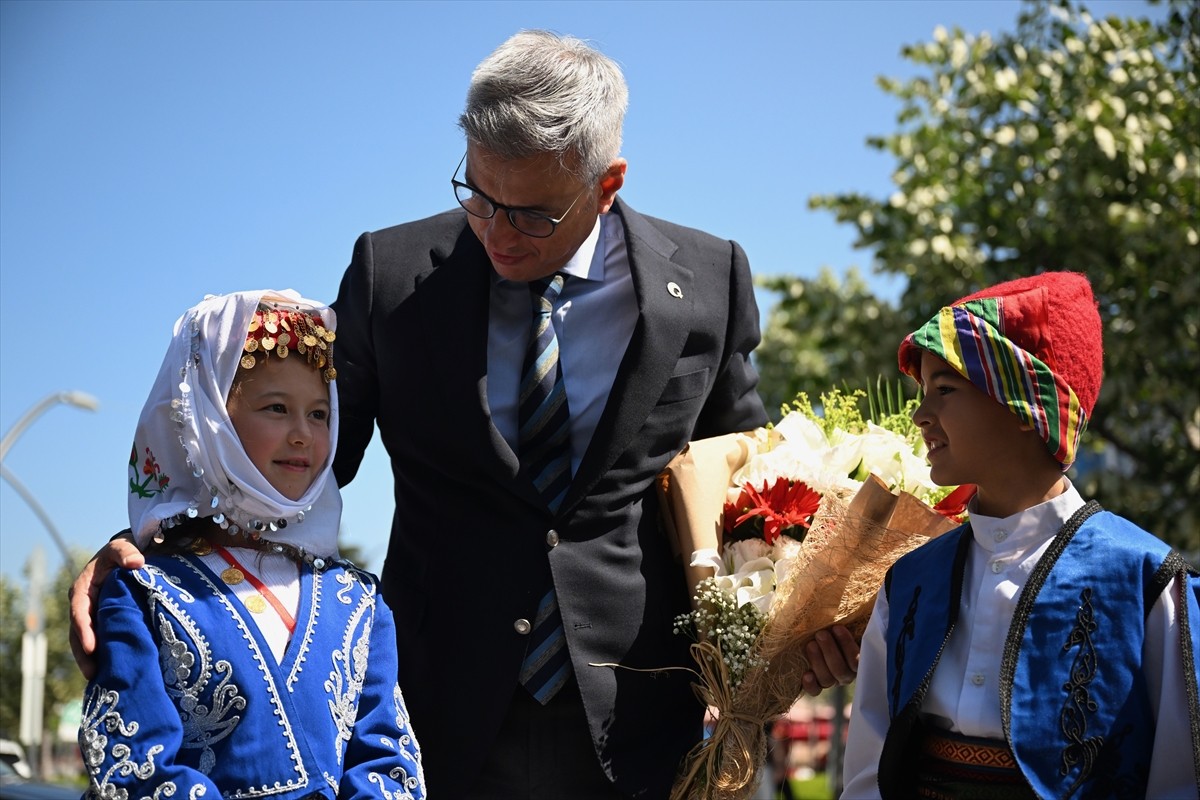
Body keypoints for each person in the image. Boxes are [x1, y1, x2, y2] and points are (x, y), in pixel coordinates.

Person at [71, 31, 858, 798]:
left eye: (532, 214)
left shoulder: (710, 277)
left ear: (607, 183)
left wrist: (805, 613)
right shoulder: (391, 274)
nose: (497, 232)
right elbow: (301, 457)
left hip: (646, 728)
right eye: (478, 197)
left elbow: (743, 483)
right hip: (431, 721)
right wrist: (149, 536)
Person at [840, 272, 1200, 798]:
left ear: (1029, 409)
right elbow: (870, 771)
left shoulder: (1146, 580)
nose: (920, 415)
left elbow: (1180, 781)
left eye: (944, 389)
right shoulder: (910, 580)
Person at [77, 290, 425, 799]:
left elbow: (388, 762)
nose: (303, 434)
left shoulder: (358, 602)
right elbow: (136, 769)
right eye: (277, 408)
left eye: (320, 414)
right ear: (210, 420)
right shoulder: (145, 590)